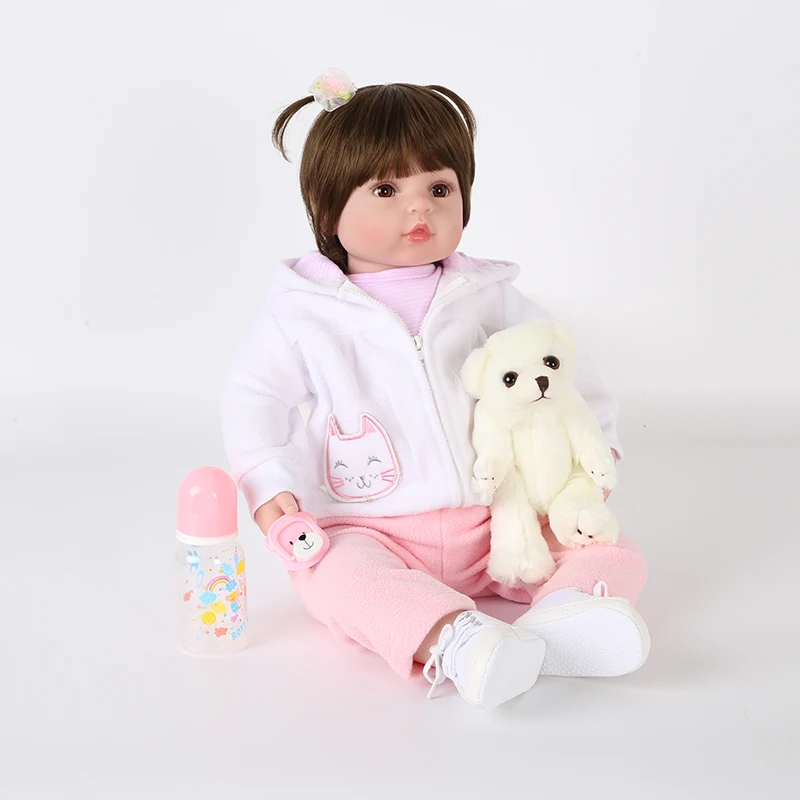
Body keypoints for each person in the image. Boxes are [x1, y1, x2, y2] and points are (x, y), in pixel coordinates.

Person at [221, 68, 649, 709]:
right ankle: (457, 640)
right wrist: (266, 481)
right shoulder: (304, 311)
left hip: (496, 516)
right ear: (328, 209)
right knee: (334, 579)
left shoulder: (487, 296)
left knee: (610, 549)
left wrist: (594, 452)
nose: (419, 207)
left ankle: (565, 619)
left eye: (439, 187)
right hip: (368, 527)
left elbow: (565, 370)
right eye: (386, 189)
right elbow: (254, 397)